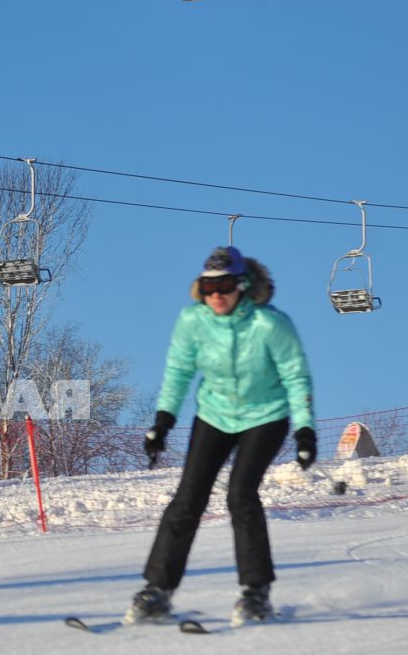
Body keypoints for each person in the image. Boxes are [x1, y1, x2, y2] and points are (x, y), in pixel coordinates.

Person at [130, 247, 316, 626]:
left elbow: (296, 376)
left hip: (266, 416)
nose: (216, 294)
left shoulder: (270, 324)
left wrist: (305, 429)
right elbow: (179, 371)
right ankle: (157, 591)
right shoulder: (192, 321)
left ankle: (255, 593)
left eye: (225, 285)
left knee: (240, 495)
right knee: (188, 498)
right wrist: (162, 422)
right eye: (208, 286)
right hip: (214, 415)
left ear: (242, 286)